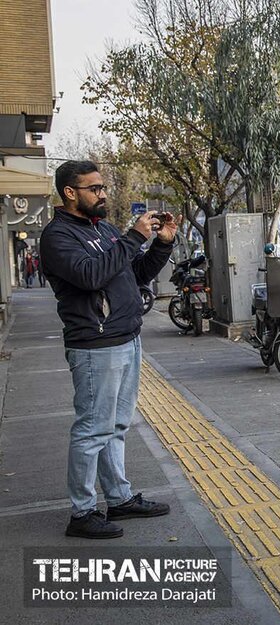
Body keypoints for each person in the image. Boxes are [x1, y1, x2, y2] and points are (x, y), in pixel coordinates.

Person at [40, 160, 176, 539]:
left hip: (126, 339)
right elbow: (90, 275)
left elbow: (134, 275)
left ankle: (118, 497)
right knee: (91, 430)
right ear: (70, 192)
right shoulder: (57, 236)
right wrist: (133, 237)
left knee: (116, 425)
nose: (102, 194)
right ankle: (82, 512)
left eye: (102, 188)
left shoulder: (104, 229)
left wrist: (162, 244)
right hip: (95, 346)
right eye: (94, 188)